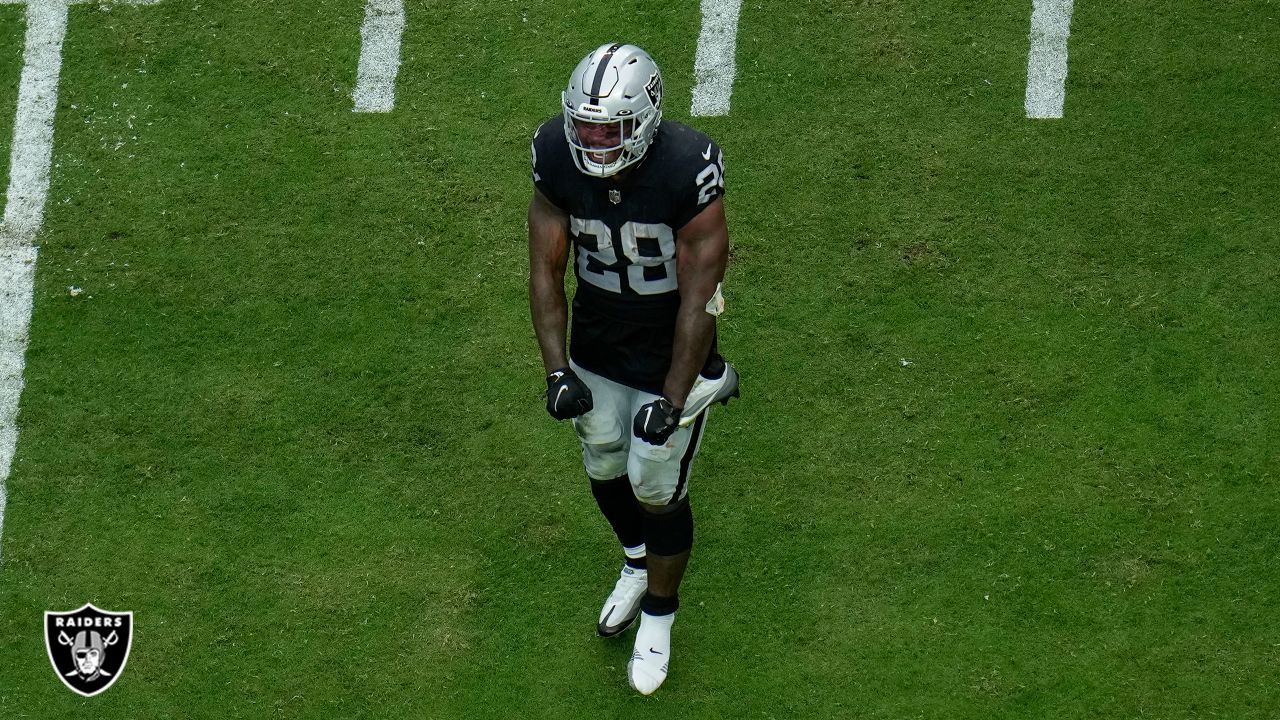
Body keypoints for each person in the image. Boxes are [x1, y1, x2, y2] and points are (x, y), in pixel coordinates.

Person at [527, 42, 739, 695]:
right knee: (603, 459)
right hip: (598, 340)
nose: (593, 141)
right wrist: (557, 369)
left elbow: (702, 294)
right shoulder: (556, 154)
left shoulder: (685, 168)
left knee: (654, 480)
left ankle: (660, 613)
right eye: (584, 125)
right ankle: (635, 561)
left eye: (608, 128)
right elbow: (544, 267)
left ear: (645, 118)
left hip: (668, 350)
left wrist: (674, 396)